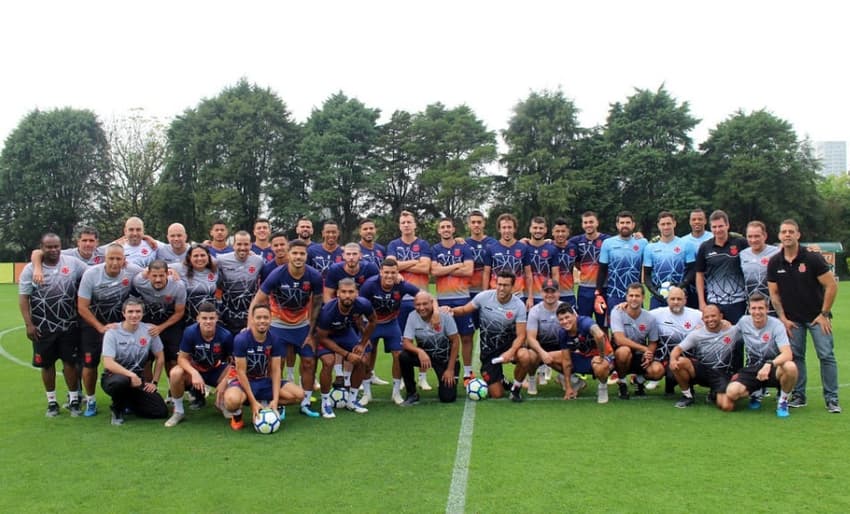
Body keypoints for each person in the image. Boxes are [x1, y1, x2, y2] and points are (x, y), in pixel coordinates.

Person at [768, 219, 840, 413]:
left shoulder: (812, 258)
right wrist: (782, 318)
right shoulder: (775, 262)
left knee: (826, 355)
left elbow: (831, 285)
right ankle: (799, 396)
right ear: (779, 236)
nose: (787, 235)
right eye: (784, 232)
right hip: (792, 320)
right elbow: (774, 293)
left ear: (798, 235)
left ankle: (832, 399)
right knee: (796, 357)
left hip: (817, 317)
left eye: (791, 231)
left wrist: (824, 313)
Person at [251, 240, 324, 418]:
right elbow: (259, 299)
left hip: (302, 325)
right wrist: (250, 326)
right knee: (277, 364)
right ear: (289, 254)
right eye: (295, 253)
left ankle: (305, 403)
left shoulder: (314, 275)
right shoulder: (277, 274)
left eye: (302, 254)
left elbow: (317, 304)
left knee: (308, 362)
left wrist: (312, 332)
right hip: (278, 324)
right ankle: (277, 402)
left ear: (306, 256)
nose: (298, 257)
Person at [18, 233, 88, 417]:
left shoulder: (72, 263)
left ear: (61, 246)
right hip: (43, 327)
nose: (53, 250)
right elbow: (24, 298)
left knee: (70, 363)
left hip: (69, 325)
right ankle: (52, 402)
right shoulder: (29, 269)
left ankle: (74, 399)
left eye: (56, 246)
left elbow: (91, 273)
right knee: (46, 365)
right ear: (41, 248)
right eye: (49, 247)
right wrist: (28, 324)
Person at [76, 243, 143, 416]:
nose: (114, 262)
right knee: (90, 363)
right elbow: (82, 307)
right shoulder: (91, 274)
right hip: (93, 325)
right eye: (111, 258)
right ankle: (90, 401)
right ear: (104, 259)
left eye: (118, 259)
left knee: (124, 362)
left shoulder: (132, 271)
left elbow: (152, 273)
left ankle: (127, 399)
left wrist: (171, 272)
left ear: (124, 260)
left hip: (119, 326)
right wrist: (99, 327)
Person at [444, 271, 527, 400]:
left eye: (505, 285)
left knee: (525, 356)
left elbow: (521, 335)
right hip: (489, 351)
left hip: (509, 347)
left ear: (512, 287)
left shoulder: (519, 306)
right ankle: (501, 380)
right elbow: (465, 310)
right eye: (499, 284)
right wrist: (451, 311)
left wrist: (511, 351)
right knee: (497, 394)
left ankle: (515, 388)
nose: (501, 288)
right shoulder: (483, 297)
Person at [221, 304, 305, 430]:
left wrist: (276, 400)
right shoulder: (241, 339)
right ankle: (237, 415)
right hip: (244, 382)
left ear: (270, 319)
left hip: (264, 381)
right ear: (252, 319)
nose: (262, 321)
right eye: (258, 317)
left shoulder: (275, 339)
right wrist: (253, 402)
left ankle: (268, 404)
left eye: (265, 317)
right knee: (231, 401)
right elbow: (241, 373)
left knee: (299, 395)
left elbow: (276, 371)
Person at [359, 258, 421, 404]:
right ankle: (366, 394)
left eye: (393, 273)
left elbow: (420, 294)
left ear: (397, 273)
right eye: (386, 272)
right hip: (371, 324)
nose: (389, 276)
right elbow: (358, 307)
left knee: (398, 355)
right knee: (366, 357)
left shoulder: (402, 285)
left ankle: (396, 392)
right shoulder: (369, 285)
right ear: (380, 272)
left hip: (391, 324)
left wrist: (435, 310)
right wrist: (363, 330)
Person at [725, 294, 798, 417]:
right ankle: (756, 391)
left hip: (773, 368)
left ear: (767, 309)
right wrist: (720, 325)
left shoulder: (777, 325)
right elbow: (729, 336)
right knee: (732, 393)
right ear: (749, 309)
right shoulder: (743, 321)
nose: (757, 312)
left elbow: (787, 354)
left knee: (790, 367)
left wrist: (769, 364)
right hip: (752, 368)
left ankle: (783, 401)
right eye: (754, 308)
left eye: (760, 308)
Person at [314, 279, 377, 418]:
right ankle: (325, 403)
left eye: (351, 292)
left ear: (357, 293)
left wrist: (362, 343)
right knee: (328, 362)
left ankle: (352, 401)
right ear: (337, 293)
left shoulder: (363, 304)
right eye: (343, 292)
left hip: (344, 332)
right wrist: (347, 355)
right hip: (325, 336)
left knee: (362, 360)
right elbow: (322, 337)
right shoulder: (327, 311)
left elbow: (373, 321)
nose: (347, 295)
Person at [100, 298, 169, 425]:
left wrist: (154, 382)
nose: (134, 315)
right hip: (113, 378)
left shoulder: (149, 330)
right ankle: (117, 409)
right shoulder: (112, 332)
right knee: (121, 381)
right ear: (123, 313)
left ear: (142, 313)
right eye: (130, 311)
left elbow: (160, 357)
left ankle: (129, 402)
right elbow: (108, 363)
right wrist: (131, 375)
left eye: (138, 311)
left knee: (160, 411)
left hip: (138, 381)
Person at [165, 302, 234, 427]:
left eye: (211, 318)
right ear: (198, 319)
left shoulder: (225, 335)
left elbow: (234, 363)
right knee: (175, 373)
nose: (208, 321)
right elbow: (181, 359)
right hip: (195, 370)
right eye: (204, 318)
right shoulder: (190, 332)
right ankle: (179, 411)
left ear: (217, 318)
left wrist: (224, 383)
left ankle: (222, 403)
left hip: (216, 370)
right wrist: (194, 373)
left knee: (234, 374)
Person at [131, 259, 187, 401]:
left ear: (168, 274)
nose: (158, 279)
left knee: (173, 360)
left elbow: (179, 312)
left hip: (170, 323)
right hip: (147, 323)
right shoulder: (139, 281)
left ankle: (173, 392)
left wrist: (161, 328)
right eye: (154, 275)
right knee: (146, 359)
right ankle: (149, 392)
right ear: (148, 274)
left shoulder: (178, 286)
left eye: (161, 276)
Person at [430, 217, 475, 386]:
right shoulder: (435, 249)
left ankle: (468, 373)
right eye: (443, 227)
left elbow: (469, 270)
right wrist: (457, 266)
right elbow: (434, 271)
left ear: (453, 229)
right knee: (448, 338)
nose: (446, 229)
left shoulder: (464, 247)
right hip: (443, 300)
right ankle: (452, 370)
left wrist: (445, 269)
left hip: (463, 298)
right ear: (439, 231)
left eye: (448, 226)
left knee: (467, 337)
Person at [668, 304, 737, 410]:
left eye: (713, 316)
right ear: (702, 319)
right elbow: (677, 349)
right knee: (680, 362)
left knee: (726, 406)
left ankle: (713, 394)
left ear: (721, 316)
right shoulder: (697, 334)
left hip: (722, 373)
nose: (710, 319)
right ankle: (687, 396)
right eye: (707, 317)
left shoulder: (732, 330)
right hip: (703, 371)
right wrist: (672, 360)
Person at [399, 291, 461, 405]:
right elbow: (406, 342)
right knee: (404, 357)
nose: (421, 308)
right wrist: (419, 351)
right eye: (418, 304)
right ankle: (411, 393)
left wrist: (450, 369)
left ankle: (446, 381)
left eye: (425, 304)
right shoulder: (412, 316)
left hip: (445, 359)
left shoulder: (445, 316)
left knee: (448, 398)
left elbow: (455, 342)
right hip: (426, 357)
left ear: (432, 303)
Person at [514, 279, 570, 396]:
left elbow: (575, 330)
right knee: (531, 356)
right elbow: (531, 338)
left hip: (560, 345)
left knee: (570, 354)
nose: (550, 295)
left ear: (558, 293)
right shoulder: (535, 311)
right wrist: (542, 353)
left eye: (553, 291)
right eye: (546, 291)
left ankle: (565, 377)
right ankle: (532, 379)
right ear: (541, 293)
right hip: (540, 346)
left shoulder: (566, 308)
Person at [609, 283, 663, 399]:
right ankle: (622, 382)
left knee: (658, 370)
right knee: (624, 351)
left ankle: (639, 381)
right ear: (626, 297)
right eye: (631, 295)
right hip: (620, 356)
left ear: (643, 298)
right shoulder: (617, 312)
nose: (634, 299)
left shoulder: (650, 318)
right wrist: (644, 349)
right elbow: (619, 339)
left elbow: (653, 341)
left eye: (637, 296)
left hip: (640, 356)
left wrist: (649, 354)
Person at [695, 210, 748, 323]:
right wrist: (701, 301)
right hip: (714, 301)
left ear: (727, 225)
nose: (717, 230)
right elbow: (699, 274)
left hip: (737, 301)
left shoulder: (740, 243)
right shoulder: (705, 247)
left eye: (720, 226)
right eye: (714, 227)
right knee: (716, 336)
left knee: (738, 338)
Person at [649, 286, 703, 394]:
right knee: (655, 371)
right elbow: (639, 314)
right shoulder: (657, 313)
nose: (676, 302)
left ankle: (687, 386)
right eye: (672, 299)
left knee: (680, 366)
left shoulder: (697, 315)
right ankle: (639, 379)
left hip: (687, 358)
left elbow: (714, 321)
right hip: (664, 358)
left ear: (685, 300)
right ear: (667, 300)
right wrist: (624, 306)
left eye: (679, 299)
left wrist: (724, 324)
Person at [554, 303, 613, 403]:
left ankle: (603, 387)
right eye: (561, 319)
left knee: (600, 367)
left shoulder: (585, 322)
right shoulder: (563, 333)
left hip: (603, 357)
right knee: (550, 357)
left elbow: (599, 335)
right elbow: (567, 361)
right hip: (584, 357)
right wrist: (568, 387)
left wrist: (601, 356)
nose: (565, 321)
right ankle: (575, 383)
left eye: (567, 317)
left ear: (574, 315)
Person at [464, 209, 497, 380]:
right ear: (469, 224)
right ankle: (467, 372)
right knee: (467, 335)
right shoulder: (462, 244)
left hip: (487, 295)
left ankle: (488, 371)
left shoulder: (492, 243)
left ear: (484, 223)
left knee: (487, 336)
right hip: (467, 295)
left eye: (479, 222)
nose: (476, 225)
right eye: (473, 222)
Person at [387, 210, 431, 334]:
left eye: (409, 222)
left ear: (415, 225)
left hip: (420, 298)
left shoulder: (423, 244)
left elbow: (425, 268)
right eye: (403, 223)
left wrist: (400, 266)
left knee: (423, 337)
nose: (406, 225)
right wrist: (415, 261)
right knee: (401, 338)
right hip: (399, 299)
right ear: (400, 226)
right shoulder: (393, 244)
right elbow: (390, 267)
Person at [596, 211, 646, 318]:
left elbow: (648, 267)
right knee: (615, 328)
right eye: (622, 222)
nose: (625, 225)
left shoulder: (643, 243)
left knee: (637, 327)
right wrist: (598, 292)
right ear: (617, 225)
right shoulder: (608, 243)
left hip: (635, 294)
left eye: (628, 222)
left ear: (633, 225)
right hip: (614, 293)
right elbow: (602, 270)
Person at [643, 211, 696, 309]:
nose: (666, 227)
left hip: (679, 296)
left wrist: (679, 287)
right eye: (663, 224)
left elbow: (692, 270)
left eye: (668, 223)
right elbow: (646, 275)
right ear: (658, 226)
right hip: (658, 297)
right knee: (656, 324)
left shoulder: (686, 245)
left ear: (674, 224)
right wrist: (654, 292)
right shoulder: (650, 248)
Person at [216, 231, 264, 333]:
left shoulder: (258, 261)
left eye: (246, 244)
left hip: (249, 314)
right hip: (227, 314)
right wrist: (173, 269)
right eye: (239, 244)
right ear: (233, 245)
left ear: (251, 245)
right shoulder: (221, 260)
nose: (242, 248)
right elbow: (201, 262)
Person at [569, 211, 610, 325]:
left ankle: (603, 343)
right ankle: (586, 343)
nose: (588, 225)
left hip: (603, 288)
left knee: (603, 324)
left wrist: (636, 237)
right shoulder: (576, 241)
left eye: (591, 222)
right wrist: (548, 240)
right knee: (583, 323)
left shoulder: (607, 240)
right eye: (585, 222)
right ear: (582, 225)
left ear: (597, 223)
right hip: (584, 289)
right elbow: (560, 244)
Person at [482, 213, 531, 300]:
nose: (507, 230)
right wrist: (484, 295)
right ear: (499, 229)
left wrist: (530, 297)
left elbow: (528, 274)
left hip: (517, 295)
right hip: (496, 295)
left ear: (514, 229)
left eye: (509, 227)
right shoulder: (491, 248)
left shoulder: (523, 248)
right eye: (504, 227)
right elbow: (486, 274)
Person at [169, 244, 219, 324]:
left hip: (209, 318)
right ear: (189, 257)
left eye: (203, 255)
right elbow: (154, 268)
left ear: (208, 256)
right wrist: (171, 270)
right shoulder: (180, 267)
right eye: (195, 256)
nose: (199, 258)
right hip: (187, 318)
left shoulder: (214, 268)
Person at [739, 220, 779, 312]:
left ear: (765, 236)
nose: (753, 240)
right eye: (750, 236)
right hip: (751, 308)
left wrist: (813, 249)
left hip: (773, 307)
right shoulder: (742, 254)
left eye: (757, 236)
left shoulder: (777, 252)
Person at [680, 209, 712, 309]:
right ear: (690, 222)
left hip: (710, 287)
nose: (697, 222)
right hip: (689, 288)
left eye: (700, 219)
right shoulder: (683, 241)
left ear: (705, 221)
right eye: (694, 219)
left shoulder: (713, 237)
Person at [525, 216, 559, 309]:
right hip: (526, 296)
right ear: (530, 229)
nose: (538, 231)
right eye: (535, 228)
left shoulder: (552, 249)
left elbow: (555, 274)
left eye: (541, 228)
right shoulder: (523, 247)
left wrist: (554, 293)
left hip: (545, 295)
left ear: (545, 230)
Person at [551, 217, 577, 308]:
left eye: (563, 231)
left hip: (569, 293)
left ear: (568, 232)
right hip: (551, 293)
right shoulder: (547, 247)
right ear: (552, 232)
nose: (560, 234)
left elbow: (579, 264)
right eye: (557, 231)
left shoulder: (574, 247)